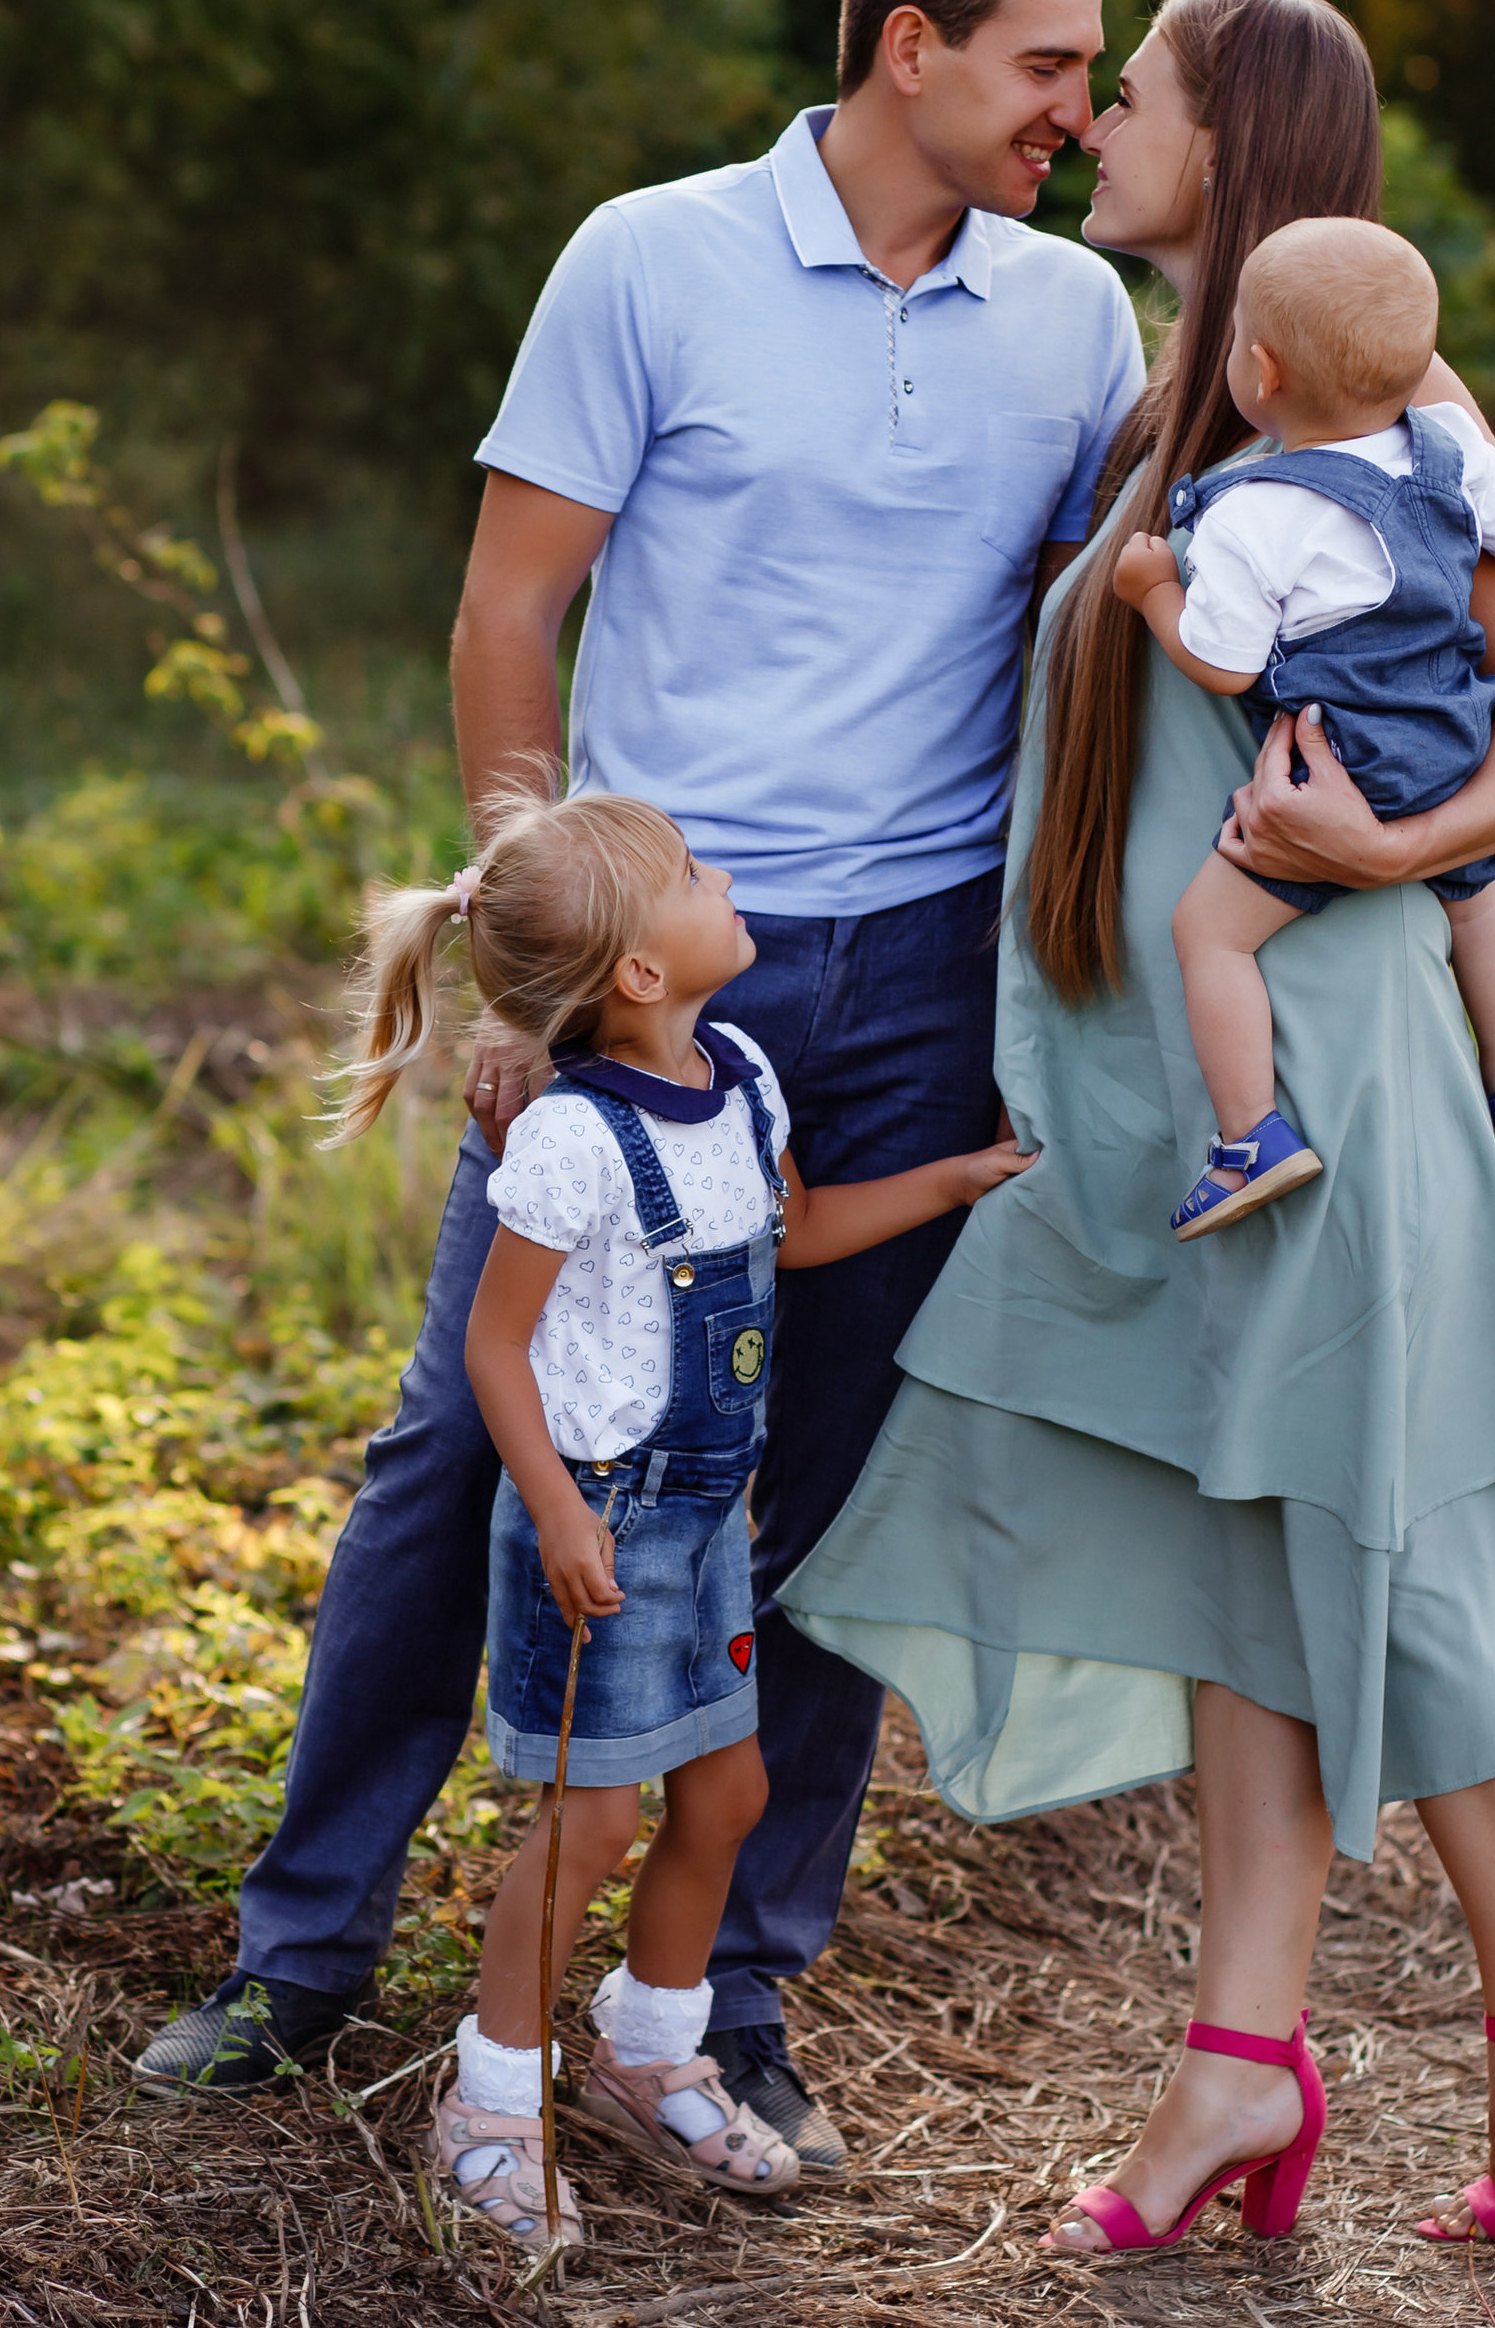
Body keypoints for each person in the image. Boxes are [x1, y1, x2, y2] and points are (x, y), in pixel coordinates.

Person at [133, 0, 1146, 2163]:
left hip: (926, 967)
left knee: (837, 1494)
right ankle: (298, 1956)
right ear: (908, 44)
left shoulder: (1069, 320)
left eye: (1091, 77)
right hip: (663, 966)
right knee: (458, 1459)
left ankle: (716, 1991)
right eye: (1042, 63)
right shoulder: (649, 258)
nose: (1071, 115)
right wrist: (549, 931)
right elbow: (510, 617)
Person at [782, 0, 1495, 2252]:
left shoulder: (1389, 406)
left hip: (1328, 1063)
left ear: (1239, 133)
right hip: (1156, 1091)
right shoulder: (1163, 399)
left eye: (1140, 94)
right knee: (1235, 1561)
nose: (1094, 126)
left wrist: (1394, 850)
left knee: (1405, 1543)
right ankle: (1233, 2065)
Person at [328, 787, 1033, 2252]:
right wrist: (553, 1512)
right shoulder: (572, 1142)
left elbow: (799, 1230)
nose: (728, 881)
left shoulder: (745, 1076)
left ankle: (649, 2049)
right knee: (585, 1826)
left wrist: (964, 1176)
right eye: (699, 875)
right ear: (639, 972)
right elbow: (493, 1348)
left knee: (726, 1796)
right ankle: (491, 2103)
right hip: (600, 1524)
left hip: (707, 1521)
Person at [1110, 211, 1495, 1238]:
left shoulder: (1257, 513)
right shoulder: (1448, 445)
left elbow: (1224, 666)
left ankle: (1248, 1138)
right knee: (1480, 903)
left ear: (1261, 374)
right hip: (1458, 744)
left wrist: (1149, 591)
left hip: (1345, 771)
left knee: (1209, 935)